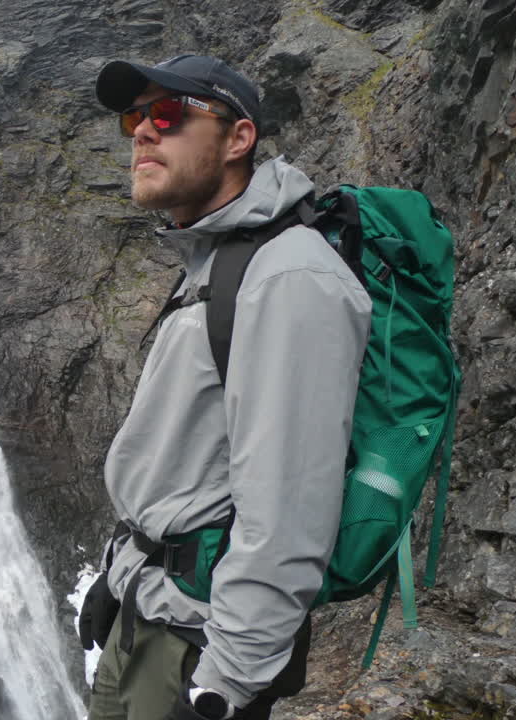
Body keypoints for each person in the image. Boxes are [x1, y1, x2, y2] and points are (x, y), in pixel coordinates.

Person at [81, 55, 373, 720]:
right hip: (144, 612)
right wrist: (119, 577)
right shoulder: (216, 262)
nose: (142, 133)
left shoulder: (288, 277)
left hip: (194, 645)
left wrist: (226, 685)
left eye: (168, 114)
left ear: (238, 139)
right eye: (135, 116)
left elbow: (289, 508)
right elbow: (183, 467)